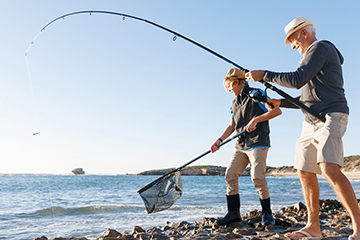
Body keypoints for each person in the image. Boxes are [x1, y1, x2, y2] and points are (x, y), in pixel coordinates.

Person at [246, 17, 360, 240]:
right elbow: (306, 96)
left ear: (304, 34)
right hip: (310, 121)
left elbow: (298, 80)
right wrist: (282, 103)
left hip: (331, 116)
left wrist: (265, 75)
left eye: (292, 39)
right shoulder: (310, 59)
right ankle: (313, 227)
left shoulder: (321, 48)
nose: (292, 45)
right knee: (304, 169)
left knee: (329, 169)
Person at [210, 68, 282, 226]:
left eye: (229, 87)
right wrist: (219, 140)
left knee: (257, 177)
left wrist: (256, 120)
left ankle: (267, 214)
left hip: (258, 142)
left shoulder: (256, 94)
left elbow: (277, 111)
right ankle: (234, 213)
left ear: (236, 82)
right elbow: (232, 125)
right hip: (241, 145)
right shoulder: (234, 102)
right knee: (230, 174)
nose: (228, 90)